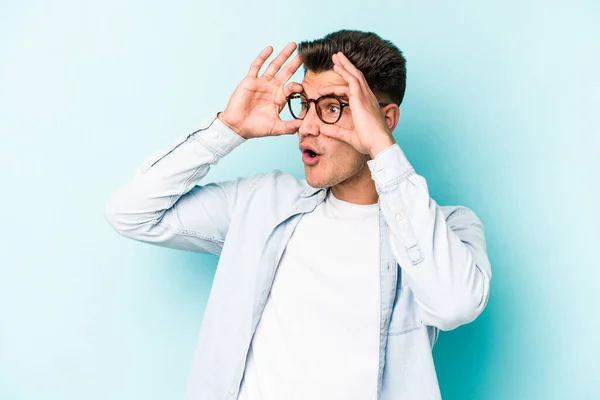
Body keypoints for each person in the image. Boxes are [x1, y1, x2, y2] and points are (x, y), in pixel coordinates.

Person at [105, 29, 492, 400]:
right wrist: (228, 129)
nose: (306, 126)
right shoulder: (262, 203)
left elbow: (454, 304)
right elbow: (131, 213)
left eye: (333, 108)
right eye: (305, 105)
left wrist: (382, 150)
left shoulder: (446, 228)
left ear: (384, 119)